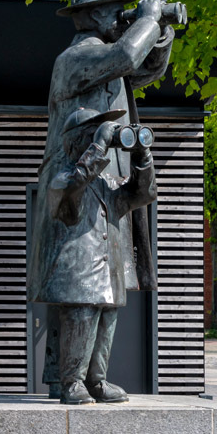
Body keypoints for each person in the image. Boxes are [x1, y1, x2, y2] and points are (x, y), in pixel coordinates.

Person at [29, 0, 184, 397]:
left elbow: (147, 66)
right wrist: (149, 17)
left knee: (110, 290)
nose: (121, 16)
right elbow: (126, 54)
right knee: (81, 290)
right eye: (115, 10)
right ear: (94, 15)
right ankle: (72, 380)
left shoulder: (108, 66)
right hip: (76, 180)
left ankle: (94, 378)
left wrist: (163, 31)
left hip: (110, 182)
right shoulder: (77, 59)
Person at [35, 107, 157, 404]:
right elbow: (73, 186)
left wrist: (142, 156)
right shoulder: (61, 177)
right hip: (78, 275)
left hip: (107, 274)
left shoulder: (109, 185)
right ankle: (71, 382)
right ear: (77, 142)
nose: (102, 136)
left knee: (106, 324)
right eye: (92, 133)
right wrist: (100, 144)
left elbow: (144, 194)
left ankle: (96, 380)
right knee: (81, 322)